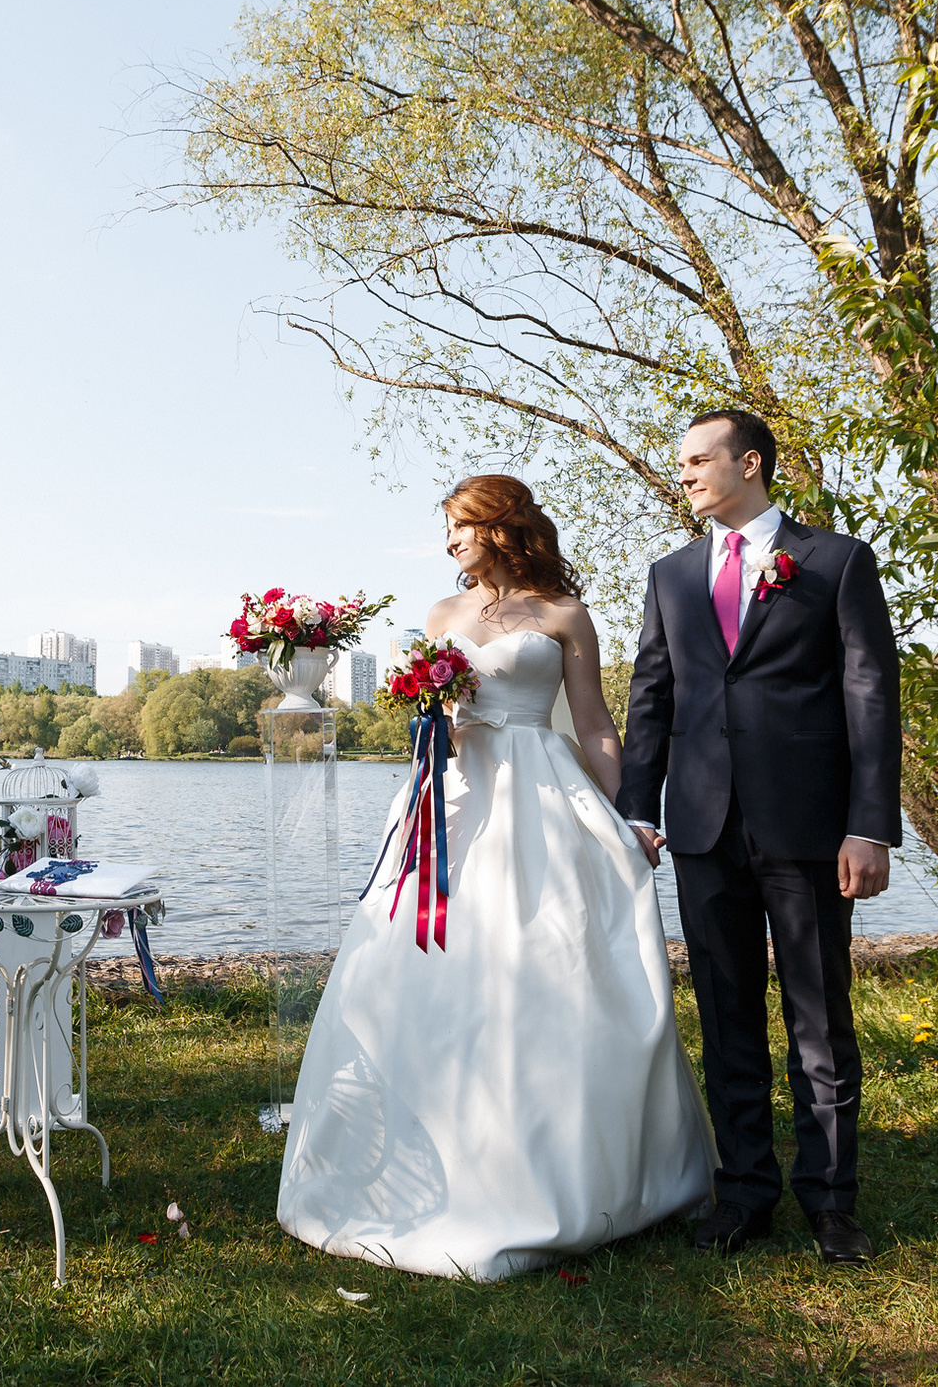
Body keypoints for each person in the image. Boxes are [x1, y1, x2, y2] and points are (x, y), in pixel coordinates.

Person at [277, 475, 712, 1280]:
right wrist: (434, 718)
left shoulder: (564, 616)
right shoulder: (444, 617)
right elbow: (430, 718)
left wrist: (633, 819)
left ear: (502, 526)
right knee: (420, 967)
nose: (448, 543)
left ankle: (568, 1176)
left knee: (549, 962)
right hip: (451, 802)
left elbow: (594, 726)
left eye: (458, 527)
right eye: (445, 531)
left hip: (541, 793)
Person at [615, 409, 901, 1265]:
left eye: (700, 460)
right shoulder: (670, 575)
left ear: (750, 463)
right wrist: (641, 809)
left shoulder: (836, 562)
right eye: (681, 464)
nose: (687, 475)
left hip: (810, 827)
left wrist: (869, 826)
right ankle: (743, 1193)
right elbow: (650, 696)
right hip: (702, 831)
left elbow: (870, 694)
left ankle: (832, 1202)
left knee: (819, 1019)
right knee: (728, 1015)